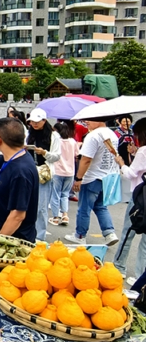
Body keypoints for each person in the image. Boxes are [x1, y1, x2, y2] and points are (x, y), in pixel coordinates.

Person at [65, 117, 120, 246]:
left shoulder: (93, 136)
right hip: (107, 177)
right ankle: (109, 232)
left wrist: (78, 178)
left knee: (84, 208)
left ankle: (80, 235)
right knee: (101, 206)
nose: (86, 122)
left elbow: (86, 160)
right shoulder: (112, 134)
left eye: (89, 120)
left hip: (92, 177)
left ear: (100, 120)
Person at [113, 118, 146, 280]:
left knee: (128, 232)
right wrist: (135, 152)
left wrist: (121, 163)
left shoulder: (144, 151)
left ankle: (119, 266)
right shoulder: (142, 151)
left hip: (140, 197)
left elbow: (131, 174)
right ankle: (141, 275)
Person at [25, 108, 60, 242]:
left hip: (44, 173)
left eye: (37, 121)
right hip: (29, 170)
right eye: (32, 121)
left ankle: (40, 236)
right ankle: (28, 233)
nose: (34, 124)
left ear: (44, 121)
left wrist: (44, 153)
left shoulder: (53, 136)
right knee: (27, 204)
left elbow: (57, 156)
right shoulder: (29, 134)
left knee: (41, 207)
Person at [49, 122, 80, 227]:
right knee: (65, 194)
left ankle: (55, 217)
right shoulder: (72, 141)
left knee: (55, 194)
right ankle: (65, 215)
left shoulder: (56, 141)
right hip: (70, 171)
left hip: (57, 171)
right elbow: (77, 155)